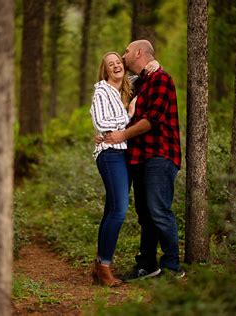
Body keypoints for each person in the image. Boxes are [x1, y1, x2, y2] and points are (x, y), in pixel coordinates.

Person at [104, 40, 184, 280]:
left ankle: (172, 268)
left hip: (160, 155)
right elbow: (117, 95)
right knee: (145, 214)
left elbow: (152, 120)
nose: (123, 55)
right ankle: (147, 264)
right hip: (139, 157)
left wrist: (122, 135)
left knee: (159, 211)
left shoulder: (161, 79)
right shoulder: (140, 83)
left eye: (126, 52)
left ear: (139, 52)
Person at [90, 52, 159, 287]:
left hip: (125, 154)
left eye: (118, 62)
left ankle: (99, 264)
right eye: (111, 64)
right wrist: (129, 114)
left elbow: (147, 72)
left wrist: (155, 63)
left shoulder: (129, 86)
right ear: (106, 71)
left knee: (112, 209)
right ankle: (105, 267)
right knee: (119, 209)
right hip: (110, 155)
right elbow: (102, 124)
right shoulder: (102, 90)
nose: (116, 66)